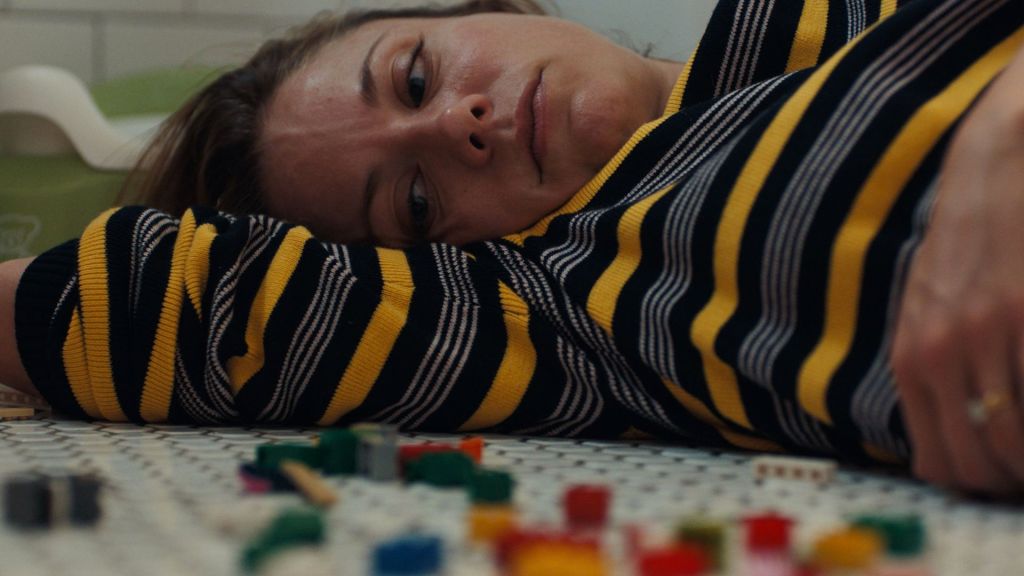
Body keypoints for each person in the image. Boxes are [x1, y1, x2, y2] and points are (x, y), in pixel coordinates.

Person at [0, 0, 1022, 497]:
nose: (458, 126)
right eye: (411, 203)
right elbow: (185, 309)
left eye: (413, 76)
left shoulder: (810, 17)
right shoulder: (569, 302)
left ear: (499, 7)